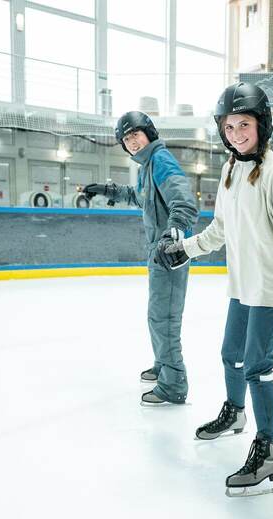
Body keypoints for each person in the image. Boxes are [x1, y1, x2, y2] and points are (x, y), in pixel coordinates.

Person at [158, 82, 273, 496]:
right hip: (242, 288)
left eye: (244, 124)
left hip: (269, 292)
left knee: (259, 368)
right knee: (231, 356)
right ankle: (236, 413)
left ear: (262, 126)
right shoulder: (228, 170)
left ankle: (269, 451)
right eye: (229, 126)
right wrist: (186, 248)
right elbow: (220, 229)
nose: (236, 133)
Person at [80, 111, 198, 406]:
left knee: (164, 317)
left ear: (149, 133)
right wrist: (110, 190)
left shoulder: (160, 159)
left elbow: (183, 200)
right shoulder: (148, 165)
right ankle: (163, 364)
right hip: (158, 252)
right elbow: (140, 197)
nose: (132, 142)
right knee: (157, 314)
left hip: (168, 251)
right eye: (126, 139)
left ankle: (174, 383)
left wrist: (173, 234)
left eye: (135, 135)